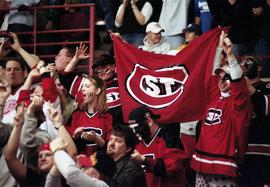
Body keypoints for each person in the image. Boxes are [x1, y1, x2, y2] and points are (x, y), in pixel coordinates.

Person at [190, 32, 252, 186]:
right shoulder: (214, 94)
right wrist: (219, 47)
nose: (222, 81)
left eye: (227, 78)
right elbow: (213, 71)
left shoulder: (239, 102)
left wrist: (230, 55)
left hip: (223, 164)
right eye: (221, 77)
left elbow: (238, 81)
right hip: (202, 162)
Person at [128, 106, 186, 187]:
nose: (135, 132)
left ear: (149, 121)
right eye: (132, 129)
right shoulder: (136, 143)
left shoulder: (169, 138)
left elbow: (173, 166)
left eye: (136, 127)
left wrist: (144, 160)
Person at [238, 57, 270, 186]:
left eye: (250, 63)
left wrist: (250, 88)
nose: (245, 65)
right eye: (243, 63)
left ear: (259, 68)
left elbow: (265, 108)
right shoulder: (235, 88)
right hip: (239, 151)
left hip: (262, 150)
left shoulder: (267, 86)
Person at [65, 75, 113, 157]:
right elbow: (68, 147)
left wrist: (97, 139)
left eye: (87, 86)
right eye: (82, 86)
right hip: (80, 163)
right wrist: (75, 137)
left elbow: (112, 149)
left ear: (97, 91)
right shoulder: (76, 115)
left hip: (101, 165)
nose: (82, 89)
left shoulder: (108, 116)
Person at [93, 52, 124, 125]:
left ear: (113, 67)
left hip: (122, 125)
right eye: (98, 68)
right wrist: (76, 59)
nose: (100, 71)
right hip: (103, 125)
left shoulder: (123, 80)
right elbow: (65, 77)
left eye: (103, 67)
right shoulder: (94, 85)